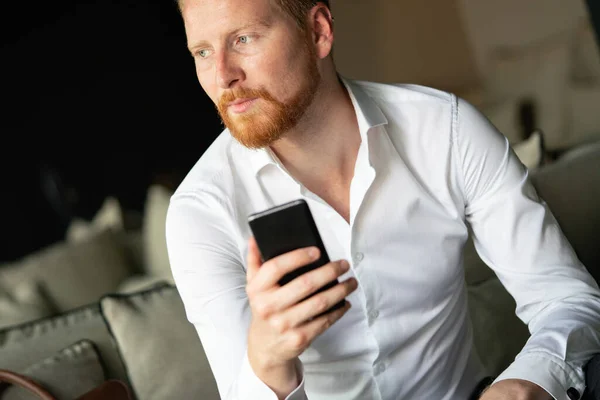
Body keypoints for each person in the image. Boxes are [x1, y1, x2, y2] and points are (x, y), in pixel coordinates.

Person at [164, 0, 600, 399]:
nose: (223, 75)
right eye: (201, 52)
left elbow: (565, 299)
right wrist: (268, 361)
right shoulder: (200, 213)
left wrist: (528, 382)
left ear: (317, 31)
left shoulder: (446, 130)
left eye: (243, 39)